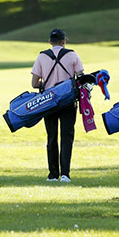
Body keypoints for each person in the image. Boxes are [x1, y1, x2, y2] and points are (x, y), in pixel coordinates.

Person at [31, 29, 85, 183]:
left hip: (48, 101)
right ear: (63, 41)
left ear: (49, 42)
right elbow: (81, 78)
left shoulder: (42, 56)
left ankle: (53, 174)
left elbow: (34, 83)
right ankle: (65, 174)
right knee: (67, 137)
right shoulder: (73, 55)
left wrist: (47, 84)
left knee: (52, 137)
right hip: (68, 100)